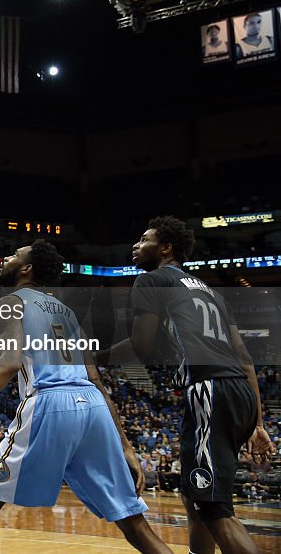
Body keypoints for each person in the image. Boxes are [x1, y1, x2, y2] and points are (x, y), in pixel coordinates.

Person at [0, 240, 173, 554]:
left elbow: (9, 362)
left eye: (15, 255)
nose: (7, 258)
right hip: (93, 407)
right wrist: (125, 446)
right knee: (132, 520)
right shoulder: (67, 312)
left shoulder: (10, 302)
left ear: (27, 268)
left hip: (51, 403)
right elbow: (97, 381)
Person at [128, 216, 273, 554]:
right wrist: (259, 422)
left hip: (210, 389)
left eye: (144, 239)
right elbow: (245, 358)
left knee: (213, 506)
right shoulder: (211, 293)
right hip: (238, 391)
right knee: (193, 494)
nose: (136, 245)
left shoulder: (152, 280)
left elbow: (142, 347)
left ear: (166, 248)